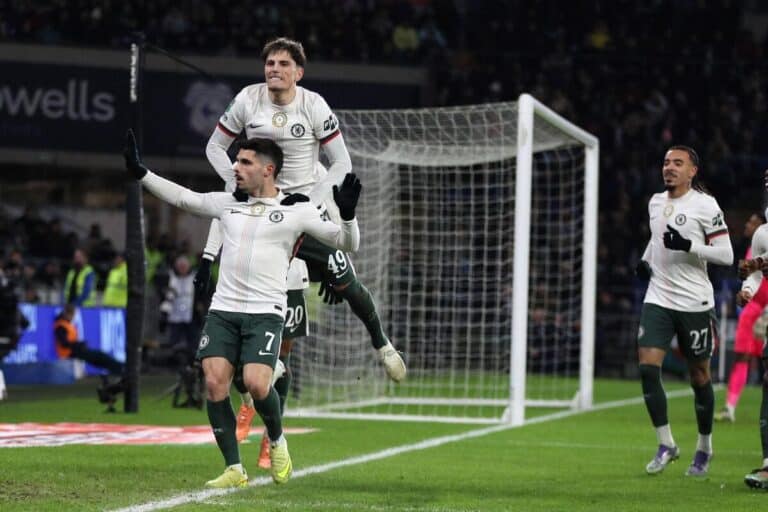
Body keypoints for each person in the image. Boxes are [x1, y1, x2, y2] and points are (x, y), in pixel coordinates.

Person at [124, 129, 361, 487]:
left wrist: (347, 215)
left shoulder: (296, 210)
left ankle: (277, 439)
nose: (236, 167)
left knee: (256, 383)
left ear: (268, 170)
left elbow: (347, 243)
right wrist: (143, 174)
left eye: (244, 162)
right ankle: (234, 468)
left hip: (265, 313)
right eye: (236, 160)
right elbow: (185, 198)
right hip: (223, 311)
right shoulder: (227, 204)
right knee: (215, 383)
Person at [199, 36, 405, 384]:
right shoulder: (248, 100)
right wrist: (235, 183)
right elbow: (215, 147)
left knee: (345, 281)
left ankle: (382, 344)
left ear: (298, 73)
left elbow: (341, 162)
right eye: (270, 64)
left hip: (306, 206)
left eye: (282, 64)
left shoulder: (314, 105)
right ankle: (263, 405)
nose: (274, 69)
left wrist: (312, 202)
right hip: (266, 212)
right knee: (279, 313)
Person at [634, 145, 733, 477]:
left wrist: (689, 245)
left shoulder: (705, 206)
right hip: (658, 297)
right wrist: (646, 260)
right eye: (665, 162)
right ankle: (666, 444)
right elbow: (657, 239)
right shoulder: (655, 202)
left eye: (678, 163)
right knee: (648, 369)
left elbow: (727, 255)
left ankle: (704, 447)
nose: (670, 167)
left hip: (695, 303)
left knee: (699, 377)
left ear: (693, 171)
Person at [714, 211, 767, 422]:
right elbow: (752, 278)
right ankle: (730, 407)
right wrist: (745, 291)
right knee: (742, 357)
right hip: (752, 310)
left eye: (752, 222)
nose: (747, 225)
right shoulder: (751, 249)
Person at [54, 303, 125, 410]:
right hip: (71, 352)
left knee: (99, 356)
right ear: (69, 313)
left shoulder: (64, 324)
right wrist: (78, 344)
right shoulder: (61, 325)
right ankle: (119, 368)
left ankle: (117, 368)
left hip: (75, 350)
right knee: (98, 356)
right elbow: (64, 343)